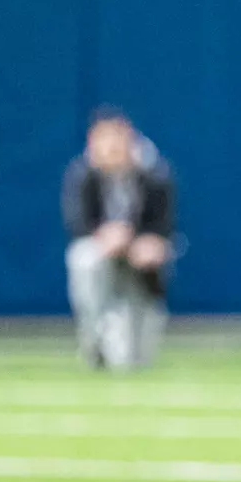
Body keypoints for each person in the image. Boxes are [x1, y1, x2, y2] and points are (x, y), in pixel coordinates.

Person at [61, 108, 175, 370]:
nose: (112, 147)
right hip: (102, 250)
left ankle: (131, 338)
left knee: (131, 360)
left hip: (138, 254)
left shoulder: (154, 174)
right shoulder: (82, 175)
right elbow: (78, 223)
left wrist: (147, 241)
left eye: (118, 139)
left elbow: (164, 224)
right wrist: (107, 236)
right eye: (105, 139)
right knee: (85, 259)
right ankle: (94, 336)